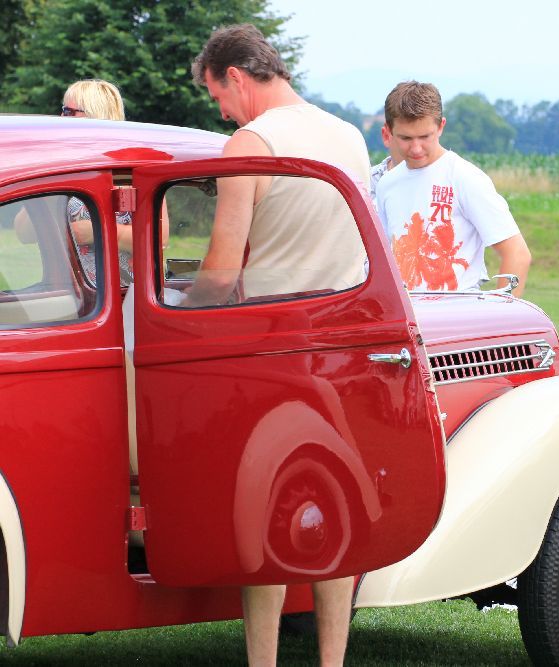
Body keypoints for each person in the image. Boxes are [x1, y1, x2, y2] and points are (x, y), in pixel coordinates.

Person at [189, 23, 371, 666]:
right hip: (346, 344)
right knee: (332, 504)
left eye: (218, 95)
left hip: (271, 349)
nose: (221, 110)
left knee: (264, 511)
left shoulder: (250, 142)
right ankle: (331, 660)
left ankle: (263, 663)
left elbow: (219, 273)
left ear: (235, 76)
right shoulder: (346, 135)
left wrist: (182, 308)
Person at [374, 81, 531, 296]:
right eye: (406, 138)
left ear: (441, 127)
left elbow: (517, 253)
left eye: (425, 137)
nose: (416, 148)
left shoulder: (465, 178)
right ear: (389, 133)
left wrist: (500, 316)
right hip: (405, 320)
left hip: (458, 320)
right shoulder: (386, 184)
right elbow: (384, 261)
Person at [16, 79, 157, 287]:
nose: (61, 118)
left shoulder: (133, 165)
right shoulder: (61, 165)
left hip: (123, 295)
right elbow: (24, 233)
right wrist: (49, 171)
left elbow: (158, 240)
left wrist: (97, 231)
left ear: (96, 115)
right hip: (71, 293)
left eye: (69, 111)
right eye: (62, 110)